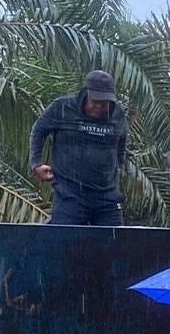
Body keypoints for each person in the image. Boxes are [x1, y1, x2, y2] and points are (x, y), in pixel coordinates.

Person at [28, 69, 129, 226]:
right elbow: (38, 130)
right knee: (64, 243)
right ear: (86, 93)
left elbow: (121, 142)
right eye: (95, 102)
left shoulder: (118, 114)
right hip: (71, 195)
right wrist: (36, 163)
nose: (99, 107)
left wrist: (119, 166)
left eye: (104, 103)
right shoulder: (63, 108)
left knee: (115, 244)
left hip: (107, 197)